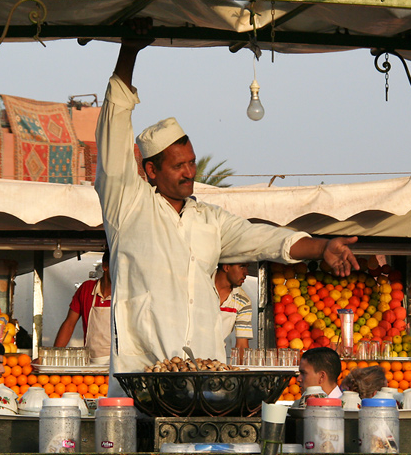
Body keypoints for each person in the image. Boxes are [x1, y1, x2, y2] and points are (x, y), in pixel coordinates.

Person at [96, 21, 359, 391]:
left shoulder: (208, 219)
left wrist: (321, 246)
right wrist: (129, 51)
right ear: (150, 170)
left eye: (192, 162)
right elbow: (114, 128)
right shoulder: (128, 206)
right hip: (140, 376)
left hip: (203, 378)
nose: (190, 173)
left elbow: (262, 239)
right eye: (178, 166)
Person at [54, 252, 112, 360]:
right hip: (91, 362)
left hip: (118, 363)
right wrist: (55, 355)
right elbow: (69, 324)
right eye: (116, 266)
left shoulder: (125, 294)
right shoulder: (87, 289)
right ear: (105, 266)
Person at [214, 262, 252, 350]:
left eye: (247, 267)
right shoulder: (199, 287)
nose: (246, 272)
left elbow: (242, 345)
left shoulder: (243, 300)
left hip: (214, 360)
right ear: (226, 267)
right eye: (242, 266)